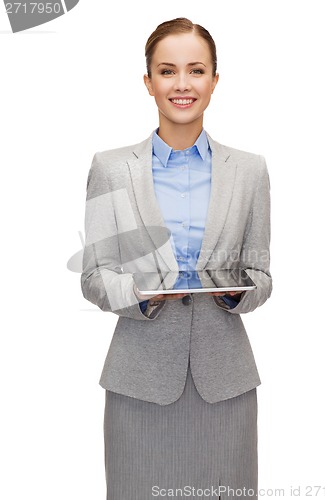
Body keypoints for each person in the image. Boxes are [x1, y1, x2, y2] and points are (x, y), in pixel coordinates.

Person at [81, 17, 272, 500]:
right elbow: (94, 276)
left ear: (214, 80)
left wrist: (239, 293)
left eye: (196, 70)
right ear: (148, 82)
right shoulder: (111, 168)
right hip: (140, 382)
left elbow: (262, 274)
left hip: (224, 385)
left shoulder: (249, 171)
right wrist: (139, 294)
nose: (182, 84)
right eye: (167, 71)